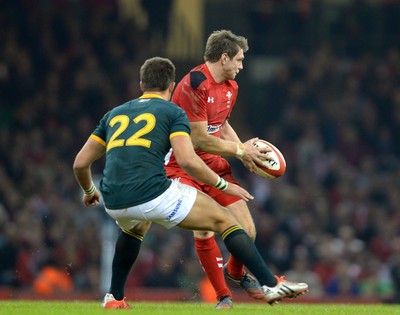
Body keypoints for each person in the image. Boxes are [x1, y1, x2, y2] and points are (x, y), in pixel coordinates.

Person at [73, 56, 308, 309]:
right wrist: (224, 185)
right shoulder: (173, 111)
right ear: (171, 86)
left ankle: (114, 298)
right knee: (225, 220)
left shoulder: (113, 114)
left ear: (142, 83)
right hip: (152, 193)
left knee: (133, 229)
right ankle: (269, 284)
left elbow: (80, 163)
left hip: (113, 200)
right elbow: (187, 160)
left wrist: (89, 191)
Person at [164, 29, 273, 308]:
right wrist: (240, 149)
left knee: (247, 232)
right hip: (183, 164)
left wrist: (243, 153)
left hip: (214, 164)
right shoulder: (194, 84)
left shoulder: (231, 87)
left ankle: (234, 272)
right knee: (205, 230)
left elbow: (221, 124)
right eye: (238, 59)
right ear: (224, 58)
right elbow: (198, 138)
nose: (241, 65)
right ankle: (223, 296)